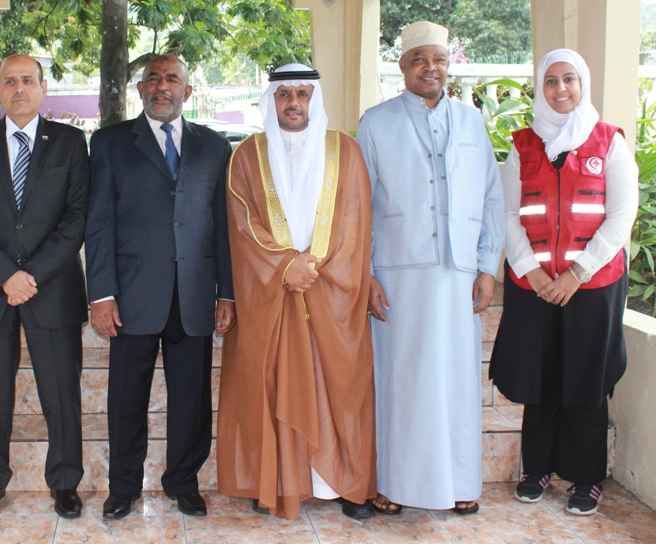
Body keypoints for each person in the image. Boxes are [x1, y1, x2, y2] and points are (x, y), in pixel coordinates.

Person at [357, 21, 506, 515]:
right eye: (419, 58)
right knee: (400, 380)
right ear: (402, 66)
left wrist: (487, 265)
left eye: (438, 59)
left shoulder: (472, 122)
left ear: (448, 66)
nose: (430, 67)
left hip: (459, 275)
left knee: (456, 380)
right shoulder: (375, 122)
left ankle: (461, 483)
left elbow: (491, 197)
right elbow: (358, 206)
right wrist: (365, 273)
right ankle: (393, 484)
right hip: (397, 274)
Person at [217, 64, 377, 521]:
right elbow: (242, 223)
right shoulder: (247, 154)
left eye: (302, 94)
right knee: (270, 383)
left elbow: (355, 220)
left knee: (341, 385)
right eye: (284, 93)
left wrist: (315, 268)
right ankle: (276, 480)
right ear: (271, 98)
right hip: (272, 293)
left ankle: (344, 482)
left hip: (333, 292)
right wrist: (285, 265)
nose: (293, 102)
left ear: (314, 98)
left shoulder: (345, 150)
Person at [85, 54, 234, 520]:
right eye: (153, 78)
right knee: (126, 397)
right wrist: (101, 294)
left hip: (193, 295)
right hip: (131, 297)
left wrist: (226, 292)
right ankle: (123, 486)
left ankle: (183, 482)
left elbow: (223, 227)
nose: (162, 86)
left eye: (172, 79)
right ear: (141, 89)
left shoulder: (214, 146)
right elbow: (99, 224)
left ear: (187, 92)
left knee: (191, 399)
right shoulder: (109, 143)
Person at [489, 49, 637, 516]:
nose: (560, 89)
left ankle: (585, 476)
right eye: (550, 81)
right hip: (534, 285)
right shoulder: (522, 145)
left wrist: (576, 274)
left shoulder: (608, 141)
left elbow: (620, 217)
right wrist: (533, 272)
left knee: (587, 379)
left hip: (592, 286)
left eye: (569, 79)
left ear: (582, 84)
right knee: (541, 374)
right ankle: (536, 469)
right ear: (540, 88)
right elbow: (509, 214)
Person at [0, 54, 89, 520]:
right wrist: (4, 275)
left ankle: (66, 483)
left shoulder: (71, 143)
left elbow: (76, 219)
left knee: (60, 394)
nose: (19, 89)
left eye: (27, 80)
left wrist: (31, 276)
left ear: (43, 87)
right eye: (9, 81)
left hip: (51, 289)